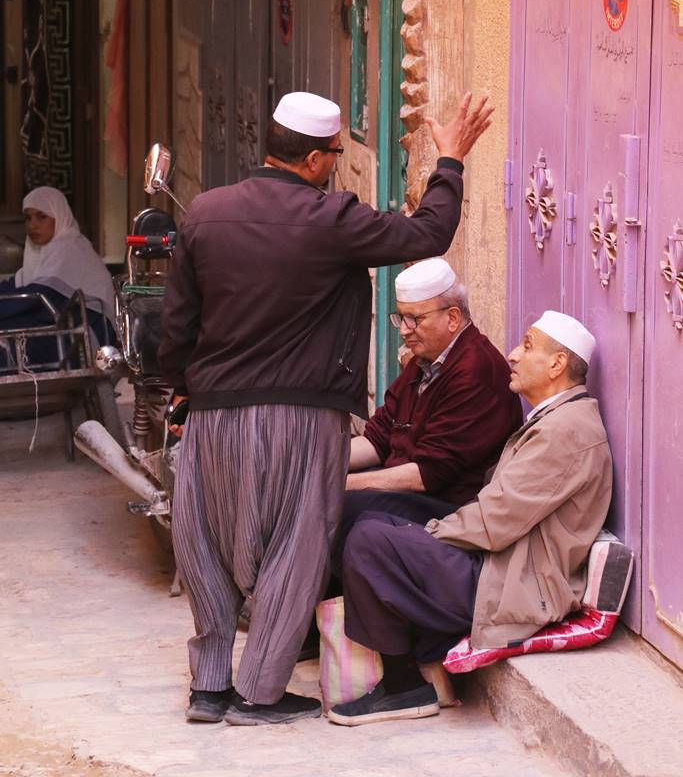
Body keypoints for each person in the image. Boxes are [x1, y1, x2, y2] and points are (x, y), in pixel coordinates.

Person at [158, 89, 493, 726]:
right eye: (335, 155)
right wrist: (449, 159)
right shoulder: (330, 218)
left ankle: (208, 689)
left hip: (214, 409)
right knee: (298, 541)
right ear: (315, 159)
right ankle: (257, 692)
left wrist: (180, 391)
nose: (334, 166)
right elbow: (429, 231)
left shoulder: (205, 213)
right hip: (300, 415)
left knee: (202, 539)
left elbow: (179, 321)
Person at [329, 310, 612, 727]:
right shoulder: (557, 420)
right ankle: (416, 664)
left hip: (511, 581)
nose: (512, 355)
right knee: (375, 526)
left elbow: (494, 523)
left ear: (556, 365)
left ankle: (404, 685)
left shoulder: (565, 431)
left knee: (372, 540)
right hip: (499, 562)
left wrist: (429, 533)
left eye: (527, 347)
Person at [334, 256, 522, 571]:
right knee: (314, 498)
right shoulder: (424, 363)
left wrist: (337, 484)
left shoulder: (475, 369)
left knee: (336, 507)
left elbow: (429, 474)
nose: (405, 331)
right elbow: (378, 438)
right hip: (413, 488)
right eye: (401, 319)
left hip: (451, 507)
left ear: (452, 318)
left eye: (414, 320)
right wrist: (317, 465)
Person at [0, 187, 116, 366]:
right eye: (28, 218)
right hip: (63, 327)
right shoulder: (40, 254)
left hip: (85, 335)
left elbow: (39, 299)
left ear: (59, 216)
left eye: (41, 216)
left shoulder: (69, 249)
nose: (32, 225)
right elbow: (14, 287)